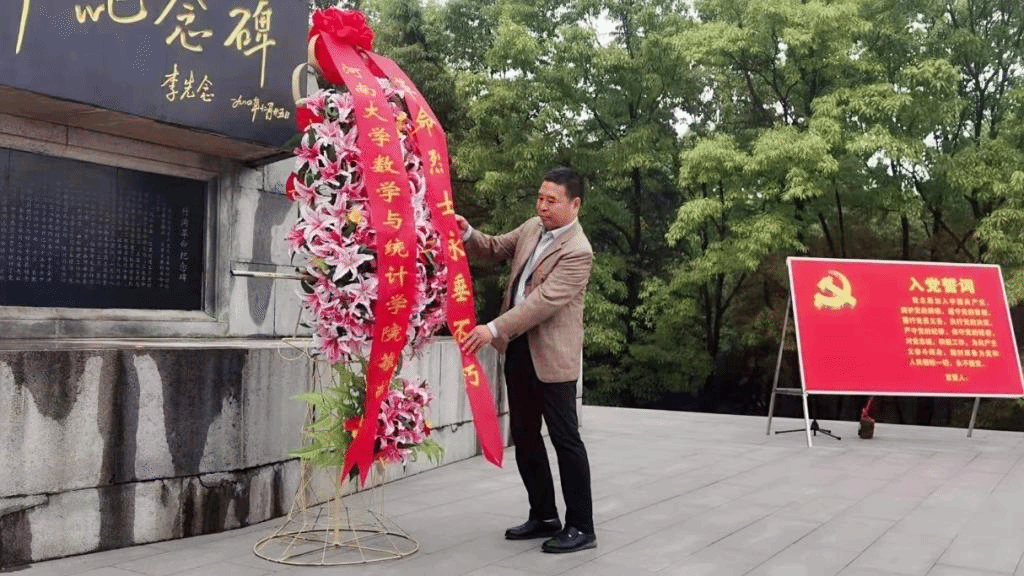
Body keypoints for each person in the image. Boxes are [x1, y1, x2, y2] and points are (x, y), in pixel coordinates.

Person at [456, 166, 596, 554]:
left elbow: (541, 304)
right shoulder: (533, 228)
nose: (542, 207)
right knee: (525, 434)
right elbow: (494, 248)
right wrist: (467, 233)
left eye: (552, 201)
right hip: (518, 349)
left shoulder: (578, 251)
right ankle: (544, 515)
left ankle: (581, 526)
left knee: (566, 440)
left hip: (552, 358)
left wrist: (492, 328)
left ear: (575, 204)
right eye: (540, 198)